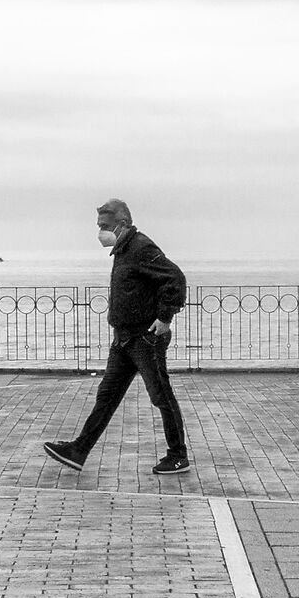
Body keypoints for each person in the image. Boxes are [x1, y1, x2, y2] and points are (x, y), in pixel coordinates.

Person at [43, 199, 191, 476]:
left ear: (122, 224)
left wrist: (165, 317)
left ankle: (178, 455)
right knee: (107, 396)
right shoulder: (123, 250)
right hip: (123, 340)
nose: (100, 232)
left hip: (145, 339)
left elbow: (175, 278)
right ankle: (79, 450)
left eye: (105, 226)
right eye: (99, 226)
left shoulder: (141, 247)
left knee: (161, 396)